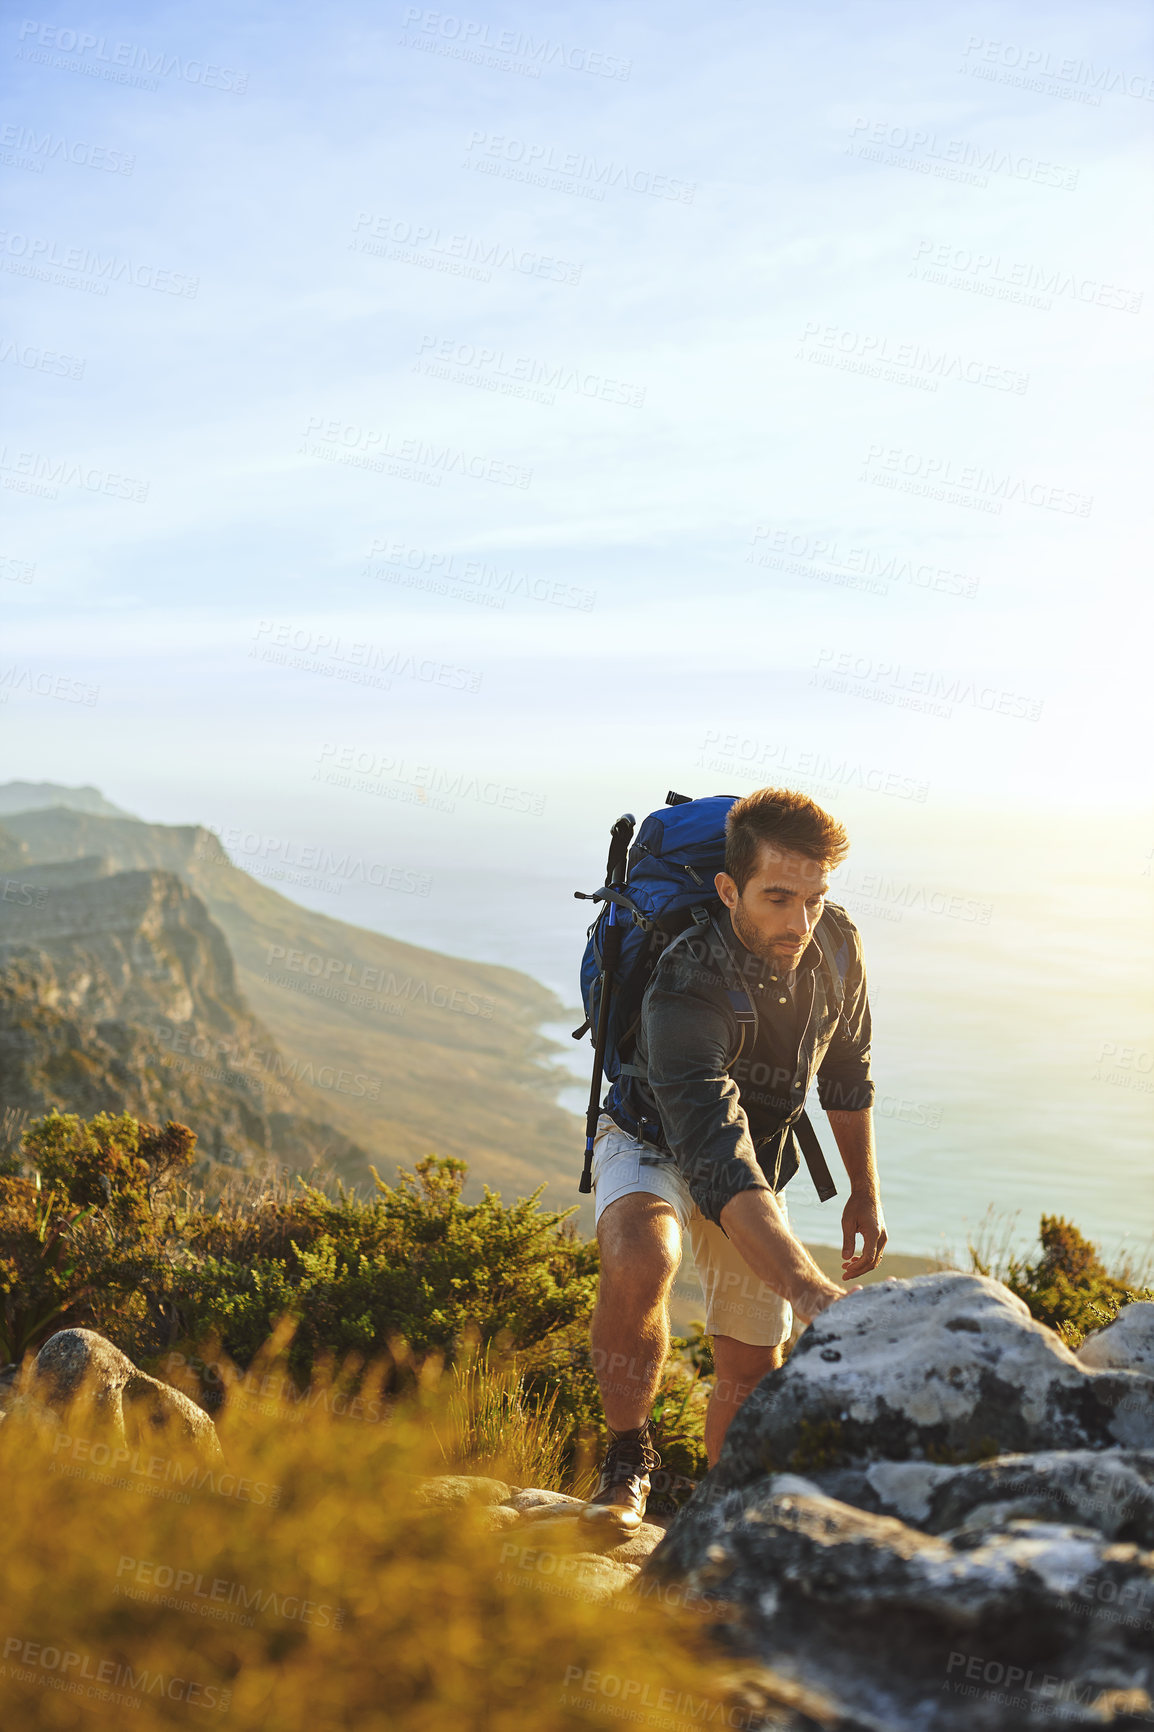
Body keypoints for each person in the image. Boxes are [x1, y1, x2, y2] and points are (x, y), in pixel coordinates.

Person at [581, 787, 887, 1533]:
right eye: (777, 898)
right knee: (641, 1257)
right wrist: (812, 1291)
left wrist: (862, 1191)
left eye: (813, 898)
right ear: (728, 889)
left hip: (760, 1155)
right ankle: (627, 1459)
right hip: (652, 1133)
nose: (799, 922)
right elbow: (715, 1154)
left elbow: (848, 1068)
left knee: (751, 1366)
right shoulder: (684, 980)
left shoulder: (836, 947)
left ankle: (718, 1520)